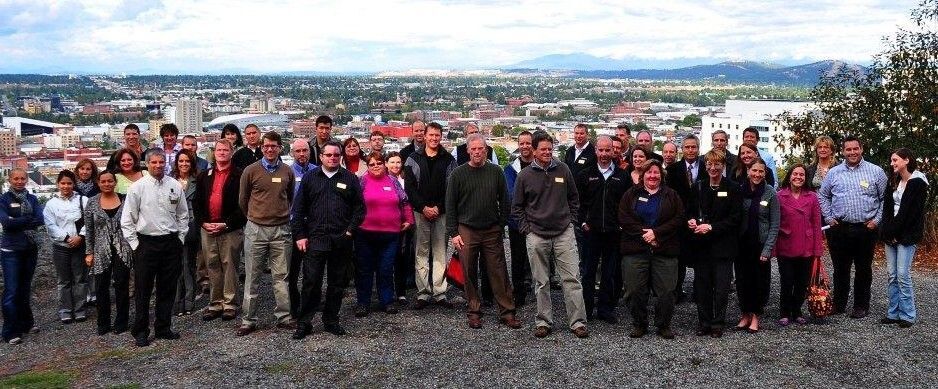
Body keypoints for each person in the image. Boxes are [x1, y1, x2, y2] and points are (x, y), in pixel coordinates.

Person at [512, 132, 589, 339]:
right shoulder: (524, 176)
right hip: (536, 234)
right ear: (534, 151)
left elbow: (574, 197)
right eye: (543, 149)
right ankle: (543, 321)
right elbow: (517, 207)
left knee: (572, 278)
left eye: (550, 148)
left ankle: (578, 322)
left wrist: (571, 220)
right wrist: (526, 229)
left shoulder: (563, 169)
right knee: (541, 281)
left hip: (563, 232)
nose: (547, 152)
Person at [291, 140, 365, 339]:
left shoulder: (349, 178)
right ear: (321, 157)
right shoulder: (309, 178)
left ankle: (331, 320)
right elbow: (298, 210)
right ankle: (304, 322)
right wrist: (299, 235)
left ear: (340, 157)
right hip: (315, 239)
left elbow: (359, 209)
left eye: (335, 155)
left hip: (341, 240)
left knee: (336, 283)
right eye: (328, 155)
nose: (332, 158)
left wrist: (350, 231)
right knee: (311, 282)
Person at [447, 134, 520, 329]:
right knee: (469, 271)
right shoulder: (458, 174)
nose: (477, 152)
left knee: (498, 271)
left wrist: (501, 224)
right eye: (474, 149)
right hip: (466, 229)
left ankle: (507, 311)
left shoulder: (495, 172)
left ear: (486, 150)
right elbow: (450, 205)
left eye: (481, 149)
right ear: (468, 151)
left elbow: (505, 200)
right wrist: (453, 233)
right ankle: (474, 310)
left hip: (491, 229)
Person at [121, 150, 188, 347]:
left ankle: (163, 327)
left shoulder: (175, 185)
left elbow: (183, 215)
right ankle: (141, 330)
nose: (158, 166)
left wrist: (180, 238)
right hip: (146, 244)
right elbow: (128, 220)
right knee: (143, 290)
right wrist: (135, 245)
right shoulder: (137, 188)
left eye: (161, 162)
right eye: (154, 162)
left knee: (167, 288)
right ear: (147, 164)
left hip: (170, 243)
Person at [818, 136, 887, 319]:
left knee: (863, 269)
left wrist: (876, 221)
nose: (852, 152)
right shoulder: (834, 173)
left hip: (866, 229)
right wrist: (829, 217)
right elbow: (823, 196)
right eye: (848, 150)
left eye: (855, 149)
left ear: (861, 149)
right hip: (839, 228)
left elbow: (884, 199)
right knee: (840, 269)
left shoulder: (876, 172)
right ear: (843, 152)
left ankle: (860, 306)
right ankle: (839, 304)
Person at [237, 131, 296, 336]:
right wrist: (256, 217)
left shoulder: (287, 171)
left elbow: (290, 198)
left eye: (274, 146)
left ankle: (284, 317)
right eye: (266, 146)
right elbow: (243, 200)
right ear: (262, 148)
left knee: (282, 276)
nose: (270, 149)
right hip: (256, 229)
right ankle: (248, 320)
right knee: (252, 276)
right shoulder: (250, 171)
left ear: (280, 148)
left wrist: (279, 216)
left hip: (281, 229)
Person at [618, 160, 683, 339]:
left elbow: (678, 219)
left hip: (664, 249)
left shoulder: (671, 195)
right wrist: (645, 235)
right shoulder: (630, 194)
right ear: (642, 175)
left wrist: (657, 234)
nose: (652, 176)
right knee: (634, 290)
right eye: (649, 172)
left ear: (661, 176)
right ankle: (639, 323)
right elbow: (624, 218)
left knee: (667, 291)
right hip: (635, 249)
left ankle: (663, 325)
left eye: (656, 173)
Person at [686, 150, 742, 338]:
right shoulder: (699, 186)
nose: (713, 167)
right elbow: (690, 210)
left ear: (723, 166)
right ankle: (704, 322)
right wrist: (692, 221)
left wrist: (712, 227)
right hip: (701, 246)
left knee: (721, 288)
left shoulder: (733, 188)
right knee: (702, 286)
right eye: (709, 164)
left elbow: (735, 218)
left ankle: (718, 322)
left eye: (717, 164)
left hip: (723, 246)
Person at [575, 135, 631, 323]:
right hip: (591, 231)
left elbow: (627, 204)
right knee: (589, 272)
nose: (605, 154)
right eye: (601, 150)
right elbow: (578, 203)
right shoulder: (585, 174)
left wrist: (622, 224)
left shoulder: (622, 176)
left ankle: (606, 309)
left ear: (613, 151)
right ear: (596, 150)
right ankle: (587, 308)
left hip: (614, 232)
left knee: (609, 272)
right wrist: (582, 222)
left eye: (608, 150)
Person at [403, 122, 457, 309]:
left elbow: (451, 188)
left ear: (441, 137)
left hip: (441, 213)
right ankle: (423, 293)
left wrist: (439, 208)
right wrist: (423, 207)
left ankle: (440, 292)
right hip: (420, 213)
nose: (434, 138)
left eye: (437, 135)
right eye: (431, 135)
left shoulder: (449, 160)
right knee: (421, 253)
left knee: (441, 252)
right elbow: (409, 187)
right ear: (424, 136)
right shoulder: (412, 158)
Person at [355, 151, 412, 317]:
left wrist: (408, 219)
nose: (376, 166)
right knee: (365, 270)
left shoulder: (393, 181)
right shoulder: (362, 182)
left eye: (379, 163)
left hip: (390, 235)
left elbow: (405, 201)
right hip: (365, 234)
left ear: (384, 164)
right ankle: (363, 303)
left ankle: (387, 301)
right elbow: (354, 203)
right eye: (372, 164)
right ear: (368, 166)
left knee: (385, 269)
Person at [194, 139, 246, 322]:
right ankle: (215, 303)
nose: (222, 153)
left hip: (229, 229)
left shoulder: (240, 175)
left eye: (226, 150)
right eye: (219, 150)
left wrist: (227, 223)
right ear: (214, 153)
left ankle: (230, 304)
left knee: (230, 266)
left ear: (231, 152)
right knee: (212, 265)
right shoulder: (204, 175)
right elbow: (197, 203)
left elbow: (244, 206)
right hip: (208, 228)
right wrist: (203, 223)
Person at [880, 148, 928, 328]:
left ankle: (907, 314)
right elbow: (886, 209)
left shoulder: (918, 183)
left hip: (906, 236)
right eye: (891, 160)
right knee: (892, 275)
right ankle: (893, 313)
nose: (892, 163)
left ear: (906, 160)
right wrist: (887, 233)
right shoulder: (893, 180)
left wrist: (896, 234)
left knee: (902, 275)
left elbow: (911, 214)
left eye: (895, 160)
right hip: (890, 235)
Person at [84, 170, 133, 336]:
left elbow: (131, 223)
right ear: (98, 183)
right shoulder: (91, 203)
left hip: (122, 248)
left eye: (110, 181)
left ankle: (121, 322)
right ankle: (103, 323)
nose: (107, 184)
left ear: (115, 182)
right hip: (100, 249)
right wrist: (89, 252)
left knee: (121, 285)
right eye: (103, 181)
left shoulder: (125, 200)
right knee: (101, 287)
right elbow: (89, 229)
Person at [774, 164, 824, 327]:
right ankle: (784, 311)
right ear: (789, 176)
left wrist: (818, 249)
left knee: (802, 282)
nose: (798, 177)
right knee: (787, 280)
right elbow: (775, 223)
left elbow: (817, 224)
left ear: (805, 178)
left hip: (806, 245)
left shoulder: (812, 197)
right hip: (786, 244)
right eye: (795, 174)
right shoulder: (780, 196)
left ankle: (797, 310)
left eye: (802, 175)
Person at [735, 159, 779, 333]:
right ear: (748, 171)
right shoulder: (740, 191)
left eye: (761, 171)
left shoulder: (770, 193)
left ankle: (755, 316)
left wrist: (767, 249)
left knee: (758, 282)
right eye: (754, 170)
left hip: (760, 245)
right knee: (742, 281)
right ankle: (744, 314)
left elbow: (775, 224)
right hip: (742, 243)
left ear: (765, 173)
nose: (757, 174)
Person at [0, 168, 43, 345]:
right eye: (16, 179)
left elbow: (39, 219)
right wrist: (26, 220)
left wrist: (17, 221)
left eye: (22, 178)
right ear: (10, 180)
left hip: (29, 248)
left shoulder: (32, 198)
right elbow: (6, 223)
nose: (19, 181)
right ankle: (10, 331)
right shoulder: (4, 199)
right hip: (11, 250)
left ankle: (26, 323)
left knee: (25, 288)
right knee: (11, 290)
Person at [44, 170, 89, 324]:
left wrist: (80, 237)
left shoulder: (83, 200)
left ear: (74, 184)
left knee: (80, 279)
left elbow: (89, 221)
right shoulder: (51, 203)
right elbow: (50, 224)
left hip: (79, 245)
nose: (66, 186)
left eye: (69, 183)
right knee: (64, 280)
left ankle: (80, 309)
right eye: (63, 183)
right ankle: (66, 310)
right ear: (58, 184)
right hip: (61, 247)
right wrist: (67, 238)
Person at [665, 135, 705, 303]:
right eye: (687, 147)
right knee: (679, 259)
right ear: (682, 149)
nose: (690, 150)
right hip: (679, 219)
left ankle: (699, 291)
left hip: (700, 218)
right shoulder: (673, 169)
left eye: (693, 147)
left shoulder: (706, 167)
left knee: (699, 258)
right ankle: (676, 291)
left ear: (698, 148)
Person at [504, 131, 534, 306]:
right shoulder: (510, 169)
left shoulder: (541, 167)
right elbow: (510, 195)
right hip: (517, 223)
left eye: (528, 143)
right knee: (517, 259)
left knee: (538, 260)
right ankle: (519, 292)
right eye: (521, 143)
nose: (525, 147)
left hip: (538, 222)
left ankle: (540, 293)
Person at [287, 139, 316, 317]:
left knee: (312, 269)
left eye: (305, 150)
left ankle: (311, 302)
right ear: (292, 153)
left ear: (310, 152)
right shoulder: (287, 172)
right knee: (292, 269)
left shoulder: (317, 171)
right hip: (293, 225)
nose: (302, 154)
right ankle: (294, 304)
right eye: (298, 151)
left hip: (313, 226)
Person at [171, 149, 200, 316]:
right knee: (175, 266)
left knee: (188, 265)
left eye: (187, 161)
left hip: (191, 225)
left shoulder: (198, 180)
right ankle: (176, 302)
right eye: (181, 161)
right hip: (172, 227)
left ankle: (189, 301)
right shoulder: (169, 181)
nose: (184, 164)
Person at [386, 151, 415, 305]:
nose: (395, 165)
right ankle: (388, 291)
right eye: (392, 162)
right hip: (388, 224)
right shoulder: (383, 179)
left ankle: (401, 291)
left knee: (402, 258)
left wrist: (409, 220)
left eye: (398, 162)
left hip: (404, 224)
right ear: (386, 163)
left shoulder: (406, 179)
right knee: (387, 258)